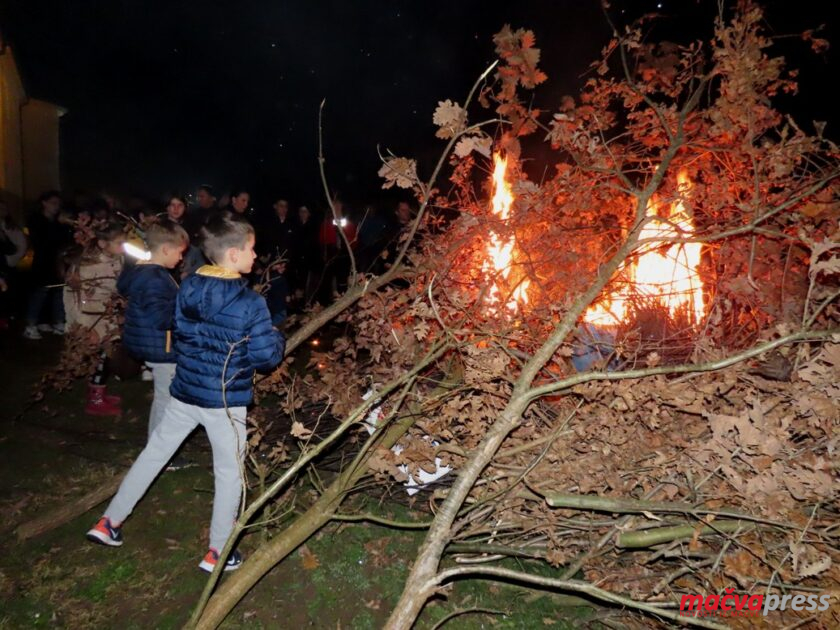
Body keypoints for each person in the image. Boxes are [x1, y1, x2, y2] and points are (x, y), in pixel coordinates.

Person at [86, 213, 285, 573]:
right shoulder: (250, 303)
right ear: (235, 255)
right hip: (224, 402)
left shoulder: (188, 287)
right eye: (252, 250)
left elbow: (180, 332)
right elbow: (265, 357)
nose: (257, 257)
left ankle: (108, 522)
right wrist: (276, 335)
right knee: (228, 472)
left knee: (153, 455)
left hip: (185, 393)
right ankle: (218, 551)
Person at [117, 219, 189, 439]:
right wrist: (187, 309)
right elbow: (161, 317)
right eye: (179, 252)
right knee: (166, 401)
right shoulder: (155, 278)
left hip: (157, 345)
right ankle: (159, 448)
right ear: (166, 249)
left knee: (165, 398)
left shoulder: (143, 271)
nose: (181, 257)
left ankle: (160, 446)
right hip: (162, 348)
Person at [63, 222, 125, 416]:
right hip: (90, 318)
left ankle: (99, 391)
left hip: (107, 314)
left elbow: (115, 286)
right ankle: (95, 399)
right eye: (118, 243)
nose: (123, 247)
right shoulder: (86, 266)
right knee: (99, 357)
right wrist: (82, 326)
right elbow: (72, 297)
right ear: (102, 243)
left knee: (107, 355)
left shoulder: (119, 259)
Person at [24, 191, 71, 339]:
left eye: (58, 203)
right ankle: (30, 325)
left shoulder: (58, 221)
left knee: (58, 292)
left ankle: (58, 322)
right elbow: (43, 240)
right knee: (40, 292)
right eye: (53, 203)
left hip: (57, 261)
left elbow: (64, 240)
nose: (56, 206)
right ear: (44, 203)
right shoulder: (36, 219)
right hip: (43, 261)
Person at [0, 200, 28, 329]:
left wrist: (10, 260)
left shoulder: (12, 228)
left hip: (7, 265)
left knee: (7, 293)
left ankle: (6, 317)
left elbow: (20, 247)